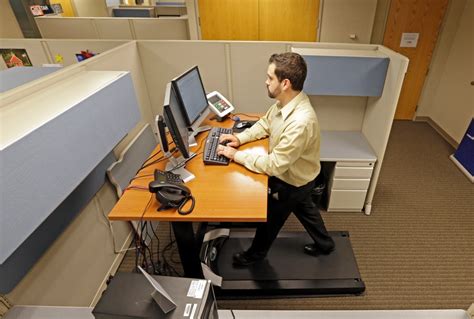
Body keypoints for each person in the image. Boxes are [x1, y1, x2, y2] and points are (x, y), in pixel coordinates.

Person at [217, 52, 335, 266]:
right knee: (306, 209)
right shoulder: (284, 103)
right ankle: (325, 244)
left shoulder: (300, 122)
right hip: (303, 176)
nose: (266, 81)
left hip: (292, 181)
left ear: (285, 83)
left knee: (270, 219)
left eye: (270, 78)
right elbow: (264, 124)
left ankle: (254, 256)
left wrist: (236, 156)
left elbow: (274, 165)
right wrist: (239, 138)